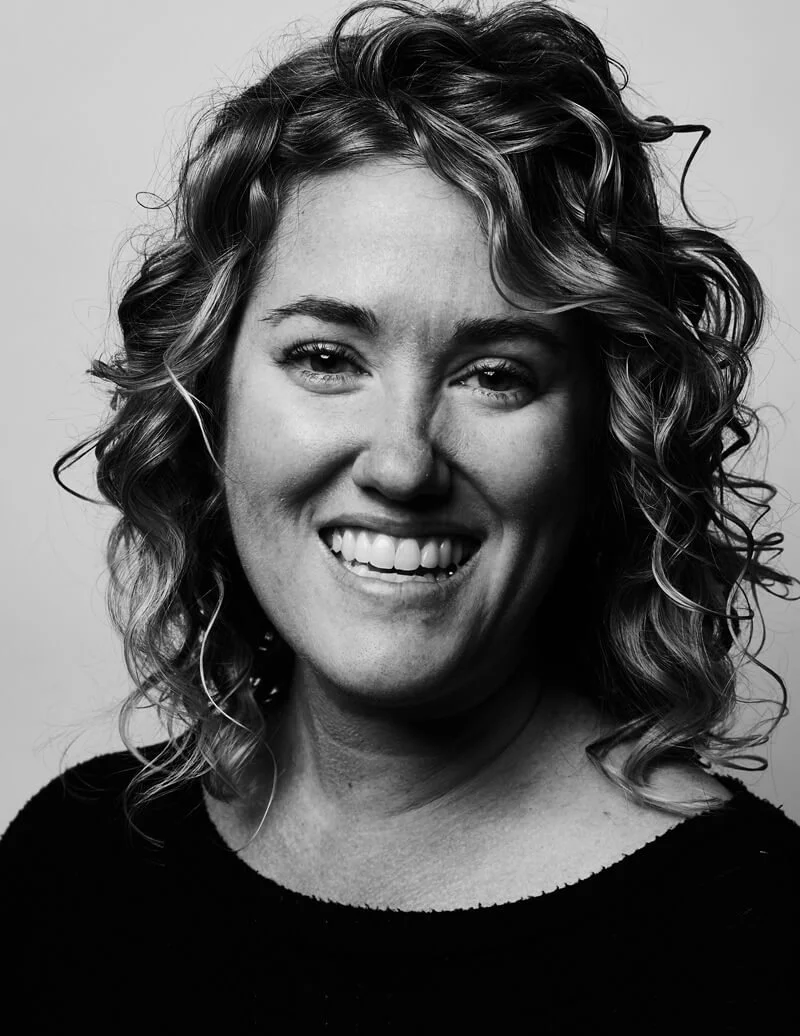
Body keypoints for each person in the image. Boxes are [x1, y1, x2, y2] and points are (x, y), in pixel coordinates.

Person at [2, 0, 798, 1030]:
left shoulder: (758, 949)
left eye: (495, 374)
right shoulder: (72, 870)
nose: (402, 461)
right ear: (212, 402)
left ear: (605, 440)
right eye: (327, 358)